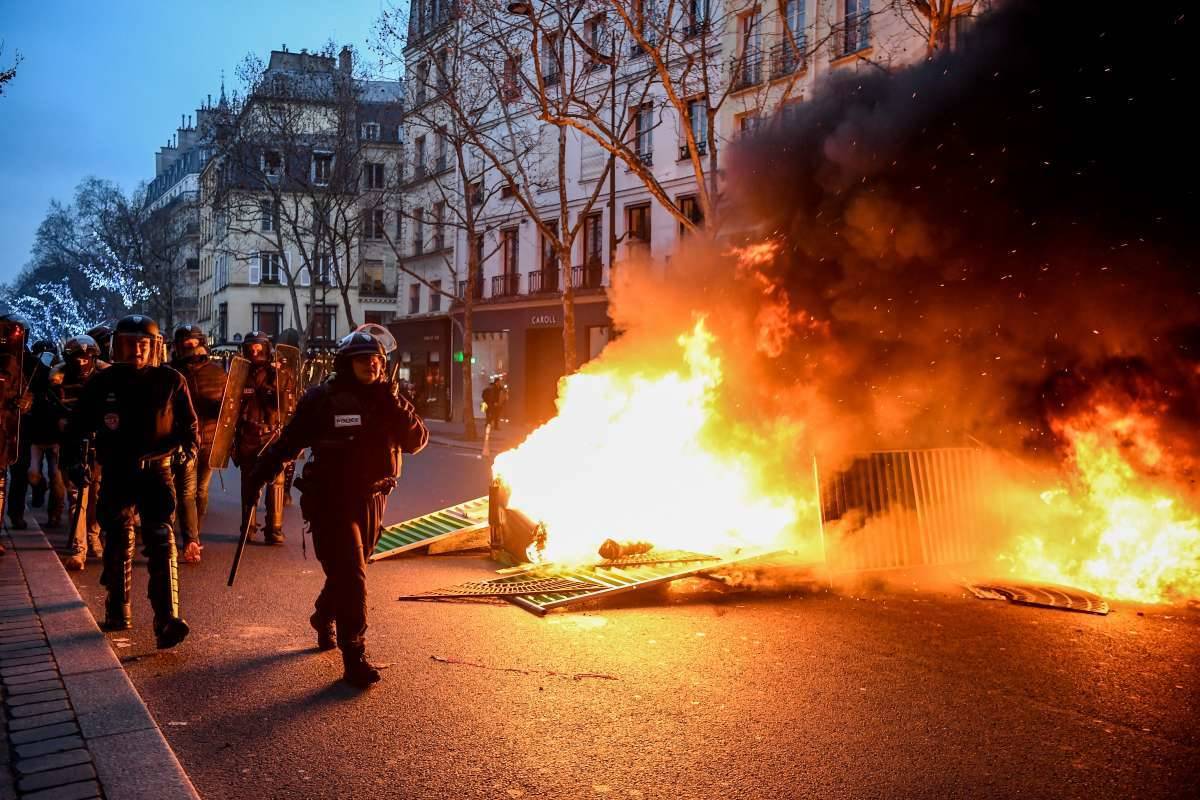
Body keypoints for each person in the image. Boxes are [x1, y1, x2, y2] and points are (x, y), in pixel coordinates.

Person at [247, 331, 428, 688]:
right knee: (351, 574)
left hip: (373, 498)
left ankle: (322, 614)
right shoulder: (322, 399)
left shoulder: (389, 399)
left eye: (376, 360)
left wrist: (396, 404)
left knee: (350, 571)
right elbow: (290, 440)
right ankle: (354, 656)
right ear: (347, 363)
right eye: (363, 360)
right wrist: (260, 472)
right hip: (331, 498)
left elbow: (416, 442)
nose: (372, 365)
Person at [64, 315, 197, 648]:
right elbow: (77, 427)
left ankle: (167, 618)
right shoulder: (102, 382)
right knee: (119, 536)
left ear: (155, 347)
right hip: (118, 469)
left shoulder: (171, 380)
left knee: (160, 536)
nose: (136, 350)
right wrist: (73, 464)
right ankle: (117, 607)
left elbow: (189, 426)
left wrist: (187, 451)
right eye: (128, 343)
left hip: (157, 470)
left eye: (142, 344)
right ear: (117, 345)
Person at [170, 324, 226, 563]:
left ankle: (195, 533)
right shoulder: (172, 374)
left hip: (211, 441)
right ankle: (190, 539)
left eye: (195, 343)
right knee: (186, 491)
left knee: (201, 491)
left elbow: (227, 408)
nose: (192, 349)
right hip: (185, 442)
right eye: (187, 345)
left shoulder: (217, 372)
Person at [50, 335, 104, 570]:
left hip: (100, 447)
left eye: (86, 358)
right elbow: (51, 410)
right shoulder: (57, 381)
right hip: (73, 445)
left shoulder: (105, 379)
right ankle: (79, 546)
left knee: (98, 497)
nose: (81, 362)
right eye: (77, 358)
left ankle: (93, 534)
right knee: (77, 497)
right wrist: (60, 422)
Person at [233, 331, 287, 545]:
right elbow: (231, 405)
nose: (255, 351)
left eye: (258, 347)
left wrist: (275, 381)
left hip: (271, 433)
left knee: (276, 482)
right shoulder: (240, 373)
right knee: (248, 482)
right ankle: (248, 526)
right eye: (251, 348)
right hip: (247, 435)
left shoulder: (279, 373)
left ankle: (274, 529)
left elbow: (286, 405)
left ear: (266, 348)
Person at [0, 314, 34, 548]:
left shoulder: (15, 363)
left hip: (7, 430)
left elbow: (24, 390)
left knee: (2, 482)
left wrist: (25, 401)